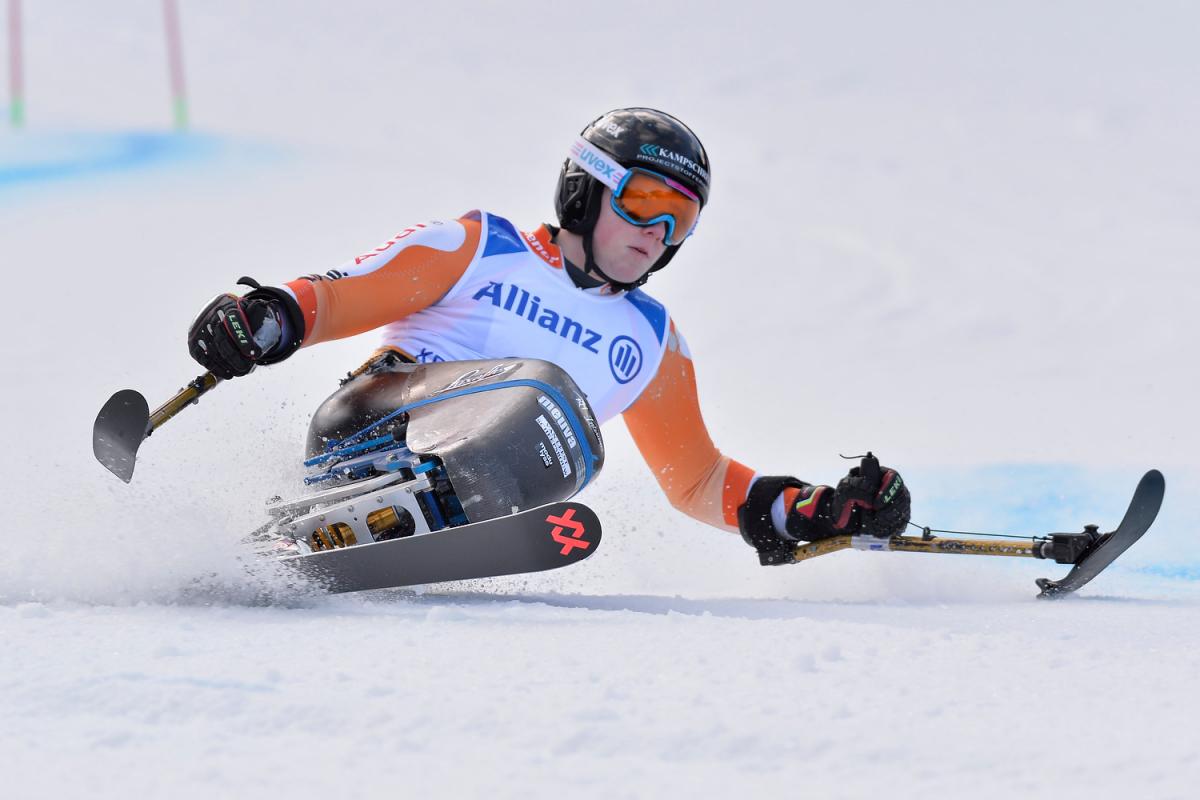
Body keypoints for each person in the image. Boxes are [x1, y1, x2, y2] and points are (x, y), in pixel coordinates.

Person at [186, 107, 911, 566]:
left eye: (679, 221)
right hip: (368, 428)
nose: (656, 235)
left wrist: (810, 510)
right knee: (549, 397)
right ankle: (378, 500)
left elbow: (698, 480)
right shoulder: (477, 248)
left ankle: (419, 520)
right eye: (645, 203)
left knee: (571, 430)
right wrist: (266, 316)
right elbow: (341, 298)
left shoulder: (652, 342)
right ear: (585, 190)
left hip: (500, 481)